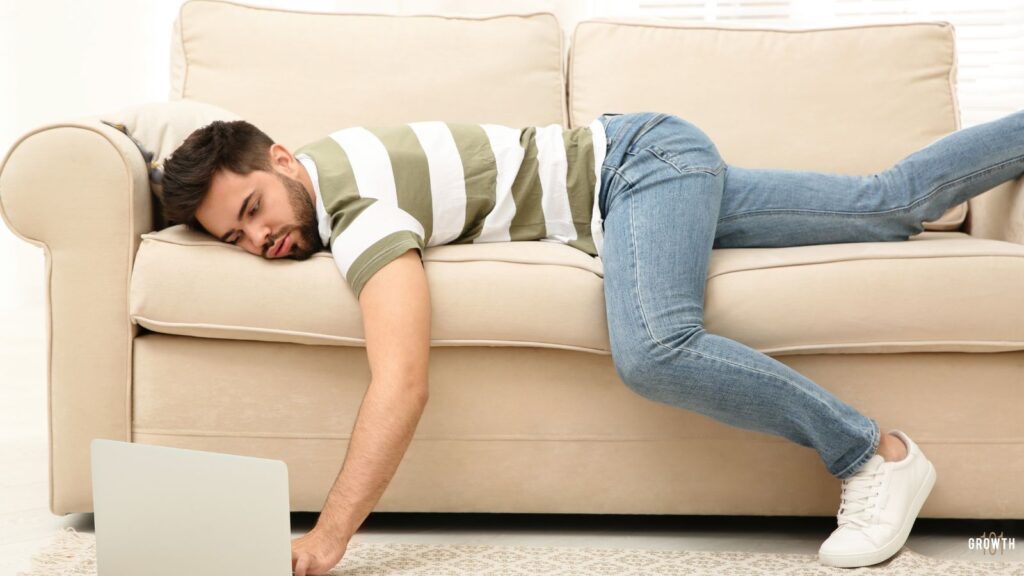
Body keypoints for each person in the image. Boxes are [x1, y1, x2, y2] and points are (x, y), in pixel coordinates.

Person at [160, 108, 1024, 574]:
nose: (259, 241)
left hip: (636, 171)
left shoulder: (355, 208)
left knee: (655, 347)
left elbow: (401, 381)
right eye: (235, 240)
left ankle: (875, 453)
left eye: (252, 213)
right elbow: (164, 120)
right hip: (652, 156)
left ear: (278, 158)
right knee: (890, 204)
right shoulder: (314, 164)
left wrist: (328, 536)